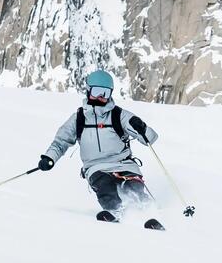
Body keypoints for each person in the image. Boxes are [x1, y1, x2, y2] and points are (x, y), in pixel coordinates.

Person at [37, 69, 165, 227]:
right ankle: (115, 210)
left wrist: (142, 128)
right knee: (104, 185)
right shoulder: (79, 118)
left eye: (105, 93)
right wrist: (49, 158)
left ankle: (149, 213)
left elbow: (150, 139)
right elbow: (61, 141)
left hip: (123, 163)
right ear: (88, 90)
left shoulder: (119, 115)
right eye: (97, 92)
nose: (100, 97)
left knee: (133, 186)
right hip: (95, 167)